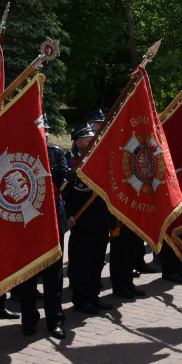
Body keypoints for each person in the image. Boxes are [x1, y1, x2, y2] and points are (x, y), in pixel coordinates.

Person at [16, 114, 67, 338]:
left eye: (44, 130)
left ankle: (55, 320)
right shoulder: (18, 154)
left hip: (53, 220)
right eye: (38, 130)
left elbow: (63, 180)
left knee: (53, 277)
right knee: (28, 276)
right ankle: (28, 320)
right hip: (27, 223)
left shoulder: (55, 153)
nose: (42, 133)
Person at [65, 125, 115, 314]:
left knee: (97, 262)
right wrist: (68, 214)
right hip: (81, 221)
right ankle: (81, 300)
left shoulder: (98, 161)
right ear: (78, 143)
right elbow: (64, 193)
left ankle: (94, 297)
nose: (92, 142)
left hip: (100, 219)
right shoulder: (70, 164)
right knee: (82, 263)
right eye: (88, 140)